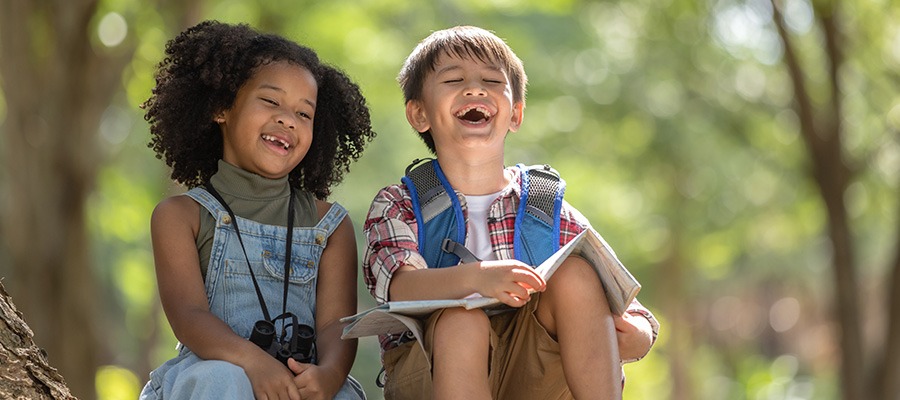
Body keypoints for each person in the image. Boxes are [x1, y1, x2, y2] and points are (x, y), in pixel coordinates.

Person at [362, 26, 659, 400]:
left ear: (516, 114)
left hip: (535, 375)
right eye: (454, 79)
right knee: (460, 322)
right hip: (431, 370)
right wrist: (477, 279)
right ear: (419, 113)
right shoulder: (400, 203)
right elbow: (400, 287)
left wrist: (638, 335)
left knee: (577, 276)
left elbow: (633, 310)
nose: (475, 89)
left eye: (491, 80)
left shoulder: (544, 207)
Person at [139, 21, 375, 400]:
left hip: (297, 380)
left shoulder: (329, 225)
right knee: (224, 379)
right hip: (214, 377)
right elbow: (189, 317)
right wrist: (254, 362)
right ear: (221, 108)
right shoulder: (180, 216)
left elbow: (335, 325)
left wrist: (329, 374)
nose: (287, 119)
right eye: (270, 101)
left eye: (304, 114)